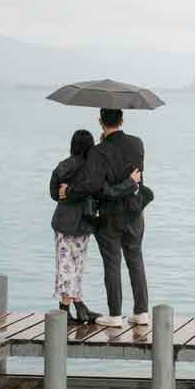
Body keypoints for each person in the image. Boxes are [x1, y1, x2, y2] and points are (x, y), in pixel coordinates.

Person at [59, 107, 149, 330]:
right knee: (135, 260)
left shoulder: (98, 152)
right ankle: (141, 312)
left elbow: (95, 187)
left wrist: (69, 191)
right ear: (122, 119)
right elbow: (136, 180)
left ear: (100, 121)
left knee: (112, 264)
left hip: (109, 217)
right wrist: (129, 184)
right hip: (135, 213)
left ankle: (116, 315)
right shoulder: (137, 143)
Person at [49, 130, 102, 325]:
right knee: (77, 264)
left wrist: (66, 194)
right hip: (84, 221)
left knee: (65, 264)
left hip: (63, 220)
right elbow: (95, 189)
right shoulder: (92, 168)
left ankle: (69, 307)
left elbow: (54, 193)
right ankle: (74, 306)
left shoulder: (64, 166)